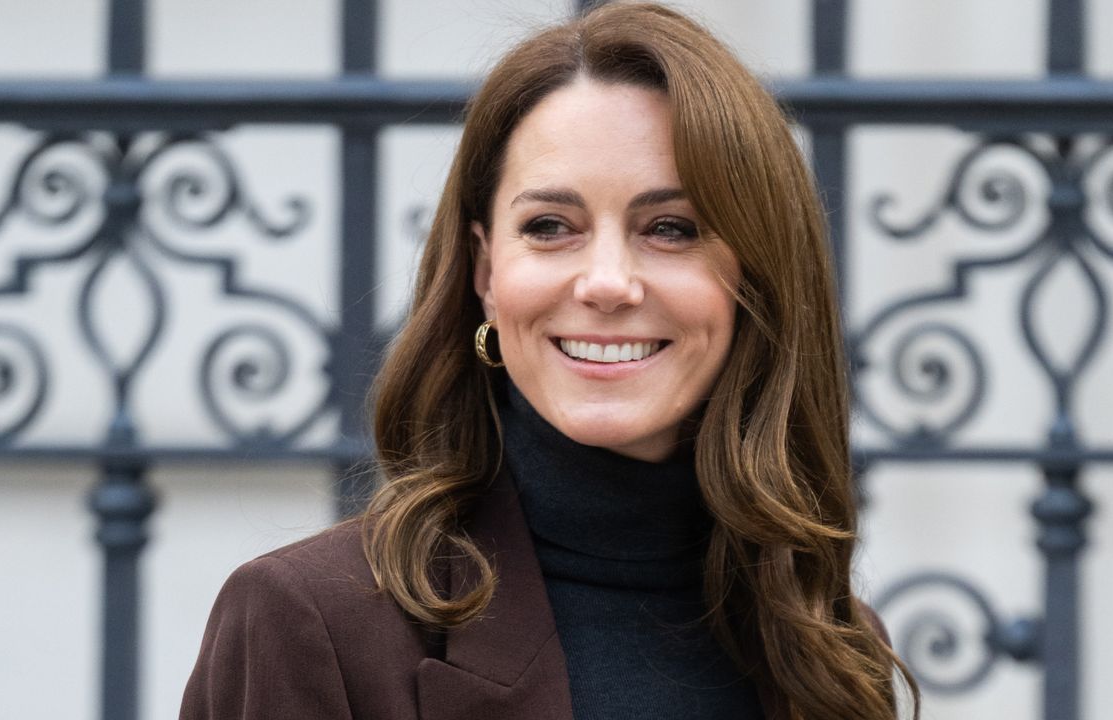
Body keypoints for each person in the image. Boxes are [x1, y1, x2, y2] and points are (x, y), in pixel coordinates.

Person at [180, 3, 917, 719]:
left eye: (670, 227)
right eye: (550, 226)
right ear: (485, 273)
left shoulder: (831, 646)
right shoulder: (311, 623)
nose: (604, 282)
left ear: (754, 277)